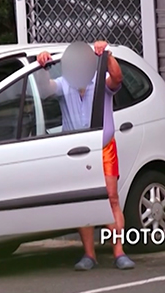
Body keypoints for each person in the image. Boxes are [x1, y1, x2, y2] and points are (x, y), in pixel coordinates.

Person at [35, 40, 135, 271]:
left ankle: (119, 251)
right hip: (77, 152)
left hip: (104, 148)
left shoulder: (100, 82)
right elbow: (44, 89)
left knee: (111, 199)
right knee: (84, 202)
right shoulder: (64, 85)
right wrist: (42, 66)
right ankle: (89, 254)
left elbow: (117, 78)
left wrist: (107, 55)